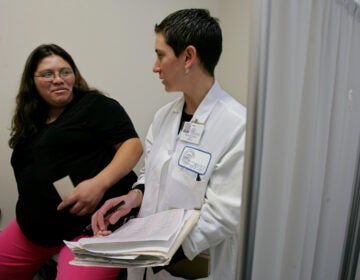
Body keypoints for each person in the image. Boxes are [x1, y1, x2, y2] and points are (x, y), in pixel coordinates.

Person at [91, 8, 246, 280]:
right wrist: (133, 197)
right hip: (149, 263)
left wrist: (152, 252)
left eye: (160, 55)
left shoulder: (237, 125)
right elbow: (150, 172)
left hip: (193, 266)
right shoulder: (164, 117)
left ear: (188, 57)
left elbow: (222, 216)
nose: (155, 66)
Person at [0, 43, 143, 279]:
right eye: (47, 74)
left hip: (94, 228)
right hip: (33, 231)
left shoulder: (94, 105)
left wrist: (98, 184)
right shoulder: (32, 121)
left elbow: (132, 146)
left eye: (65, 71)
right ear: (32, 82)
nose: (58, 79)